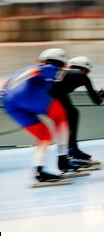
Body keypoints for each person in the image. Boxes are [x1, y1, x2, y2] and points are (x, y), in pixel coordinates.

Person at [1, 48, 82, 184]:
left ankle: (39, 171)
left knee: (44, 136)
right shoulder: (52, 68)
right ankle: (63, 160)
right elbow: (34, 72)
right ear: (61, 63)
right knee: (61, 115)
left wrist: (11, 86)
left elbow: (5, 82)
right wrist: (20, 80)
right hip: (27, 95)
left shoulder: (29, 67)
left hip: (9, 103)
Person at [50, 56, 104, 165]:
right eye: (87, 72)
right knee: (72, 114)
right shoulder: (81, 75)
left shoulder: (62, 71)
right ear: (84, 69)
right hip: (55, 95)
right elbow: (96, 101)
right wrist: (102, 95)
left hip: (48, 96)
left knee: (72, 113)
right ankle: (72, 152)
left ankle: (72, 150)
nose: (87, 74)